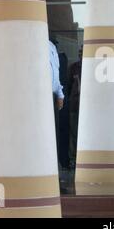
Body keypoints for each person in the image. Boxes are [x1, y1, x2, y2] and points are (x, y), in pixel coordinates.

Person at [49, 36, 65, 168]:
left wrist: (60, 94)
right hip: (38, 95)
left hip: (52, 96)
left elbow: (56, 72)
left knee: (54, 133)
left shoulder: (52, 46)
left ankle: (54, 164)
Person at [67, 47, 82, 169]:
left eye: (83, 51)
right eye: (79, 52)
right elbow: (68, 86)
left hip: (90, 108)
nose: (81, 54)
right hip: (75, 105)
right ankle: (73, 159)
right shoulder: (74, 67)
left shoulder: (93, 67)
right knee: (74, 133)